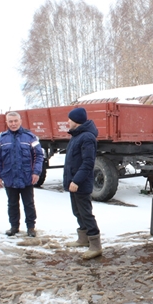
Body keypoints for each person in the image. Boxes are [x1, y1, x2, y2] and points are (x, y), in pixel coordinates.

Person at [0, 112, 44, 237]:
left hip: (26, 177)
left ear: (20, 121)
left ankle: (31, 227)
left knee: (29, 203)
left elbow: (38, 155)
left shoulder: (30, 137)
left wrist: (36, 172)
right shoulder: (1, 139)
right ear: (7, 122)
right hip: (9, 176)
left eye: (15, 121)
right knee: (12, 204)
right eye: (10, 121)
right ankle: (14, 227)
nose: (13, 124)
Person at [63, 107, 102, 259]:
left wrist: (76, 180)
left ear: (77, 121)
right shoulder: (76, 136)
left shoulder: (87, 137)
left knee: (86, 213)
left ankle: (95, 245)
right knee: (77, 211)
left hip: (80, 183)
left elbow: (88, 163)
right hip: (73, 182)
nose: (68, 122)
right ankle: (83, 238)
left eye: (70, 119)